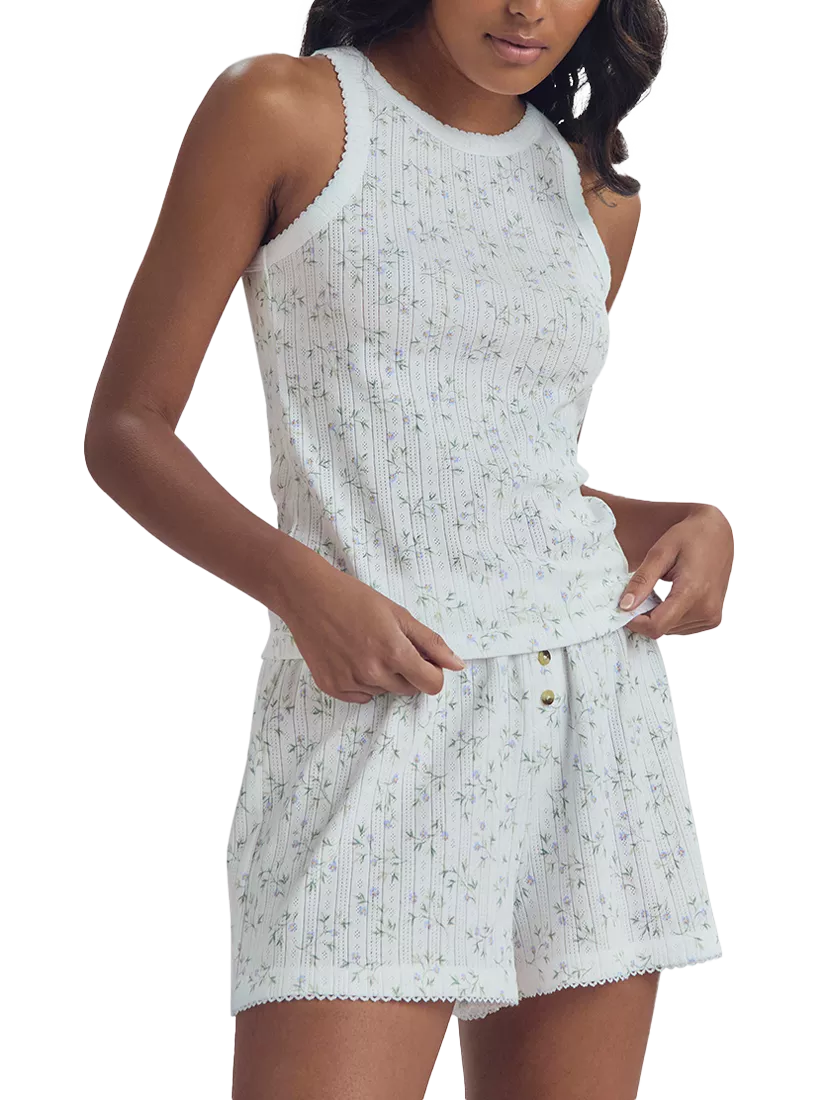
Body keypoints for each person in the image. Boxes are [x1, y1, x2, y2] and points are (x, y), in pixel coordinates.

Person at [84, 1, 731, 1097]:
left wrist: (687, 520)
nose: (528, 7)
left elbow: (496, 474)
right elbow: (126, 428)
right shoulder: (285, 112)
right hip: (381, 713)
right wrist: (304, 591)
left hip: (592, 721)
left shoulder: (592, 195)